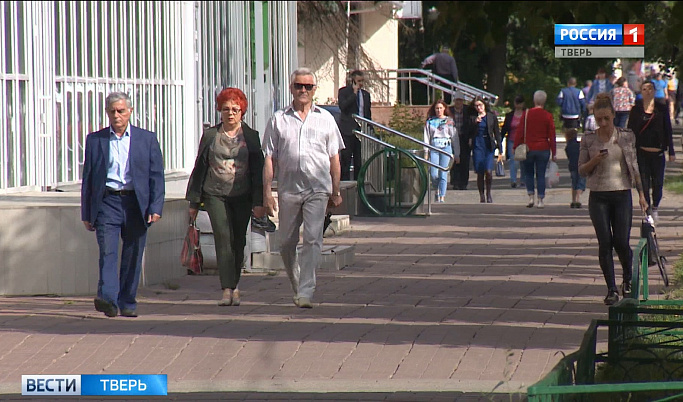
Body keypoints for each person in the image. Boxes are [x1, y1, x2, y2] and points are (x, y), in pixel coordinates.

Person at [262, 67, 345, 309]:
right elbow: (269, 158)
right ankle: (297, 282)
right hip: (288, 190)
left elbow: (334, 158)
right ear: (291, 88)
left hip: (317, 189)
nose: (303, 90)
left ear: (314, 90)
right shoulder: (279, 119)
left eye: (308, 86)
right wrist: (267, 193)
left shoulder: (326, 119)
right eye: (299, 86)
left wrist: (336, 190)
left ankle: (307, 290)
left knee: (312, 239)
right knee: (286, 242)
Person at [81, 92, 165, 318]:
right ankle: (108, 299)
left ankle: (127, 301)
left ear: (130, 112)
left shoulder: (146, 139)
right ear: (107, 113)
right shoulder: (96, 140)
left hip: (136, 204)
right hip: (108, 202)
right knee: (108, 252)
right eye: (112, 111)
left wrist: (156, 207)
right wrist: (87, 212)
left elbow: (156, 176)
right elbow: (88, 178)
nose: (116, 115)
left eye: (121, 111)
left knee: (133, 253)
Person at [185, 88, 265, 306]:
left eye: (235, 109)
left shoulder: (251, 137)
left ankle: (235, 285)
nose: (230, 113)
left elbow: (258, 171)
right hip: (214, 194)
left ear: (242, 112)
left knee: (238, 240)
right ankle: (227, 289)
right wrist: (194, 201)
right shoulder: (211, 135)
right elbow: (200, 167)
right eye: (226, 109)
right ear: (219, 110)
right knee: (223, 236)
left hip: (242, 195)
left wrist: (259, 202)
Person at [578, 93, 648, 306]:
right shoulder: (589, 139)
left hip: (621, 194)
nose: (603, 123)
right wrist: (595, 160)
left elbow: (634, 167)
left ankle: (628, 278)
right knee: (605, 242)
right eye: (599, 119)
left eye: (607, 118)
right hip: (598, 195)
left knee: (621, 241)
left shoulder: (626, 136)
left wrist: (642, 195)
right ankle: (611, 289)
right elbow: (581, 170)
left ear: (614, 115)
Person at [627, 79, 675, 222]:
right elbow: (630, 131)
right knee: (643, 183)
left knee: (658, 183)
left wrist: (671, 151)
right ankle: (647, 210)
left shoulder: (661, 108)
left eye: (650, 89)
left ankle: (655, 207)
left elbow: (668, 129)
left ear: (654, 91)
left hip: (658, 152)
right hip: (641, 152)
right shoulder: (636, 110)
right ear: (641, 92)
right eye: (644, 89)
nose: (647, 92)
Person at [513, 90, 556, 209]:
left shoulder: (526, 114)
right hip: (543, 148)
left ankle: (531, 197)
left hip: (528, 148)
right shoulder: (548, 115)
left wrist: (515, 146)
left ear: (534, 100)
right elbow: (551, 135)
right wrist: (554, 152)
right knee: (541, 174)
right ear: (544, 101)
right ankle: (540, 199)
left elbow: (520, 132)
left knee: (528, 173)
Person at [424, 99, 459, 203]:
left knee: (443, 172)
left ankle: (442, 196)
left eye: (440, 108)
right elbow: (426, 137)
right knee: (434, 173)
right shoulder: (430, 121)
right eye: (437, 108)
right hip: (434, 147)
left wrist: (457, 153)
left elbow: (454, 137)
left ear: (444, 108)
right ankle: (437, 188)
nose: (439, 110)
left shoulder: (449, 121)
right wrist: (426, 151)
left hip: (446, 147)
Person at [338, 70, 371, 181]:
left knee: (359, 161)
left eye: (362, 81)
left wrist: (370, 129)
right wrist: (354, 94)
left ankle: (358, 184)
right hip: (348, 131)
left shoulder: (366, 95)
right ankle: (345, 184)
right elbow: (343, 107)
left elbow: (367, 113)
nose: (361, 83)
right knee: (346, 160)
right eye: (358, 81)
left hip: (362, 131)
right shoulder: (344, 92)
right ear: (353, 81)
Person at [468, 97, 503, 203]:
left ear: (484, 105)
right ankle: (481, 195)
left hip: (488, 145)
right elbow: (468, 132)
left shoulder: (491, 116)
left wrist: (500, 148)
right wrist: (475, 122)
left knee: (488, 171)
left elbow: (496, 132)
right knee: (480, 171)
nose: (479, 108)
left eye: (480, 105)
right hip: (478, 145)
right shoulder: (472, 117)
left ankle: (488, 193)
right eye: (476, 106)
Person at [500, 95, 526, 188]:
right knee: (513, 161)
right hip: (512, 140)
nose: (518, 105)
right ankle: (513, 180)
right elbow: (505, 129)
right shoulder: (510, 115)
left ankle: (523, 180)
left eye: (520, 103)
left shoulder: (526, 114)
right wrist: (500, 140)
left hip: (523, 141)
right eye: (516, 103)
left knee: (523, 161)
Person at [449, 92, 470, 190]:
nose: (458, 102)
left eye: (460, 100)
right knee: (454, 160)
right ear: (454, 101)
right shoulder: (449, 111)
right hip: (453, 137)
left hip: (464, 137)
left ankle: (464, 182)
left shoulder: (467, 110)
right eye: (457, 100)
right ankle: (455, 181)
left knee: (465, 160)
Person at [564, 128, 585, 208]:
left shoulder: (568, 147)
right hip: (581, 165)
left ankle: (573, 200)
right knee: (581, 183)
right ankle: (578, 199)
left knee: (574, 183)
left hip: (572, 166)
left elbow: (569, 157)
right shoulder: (580, 145)